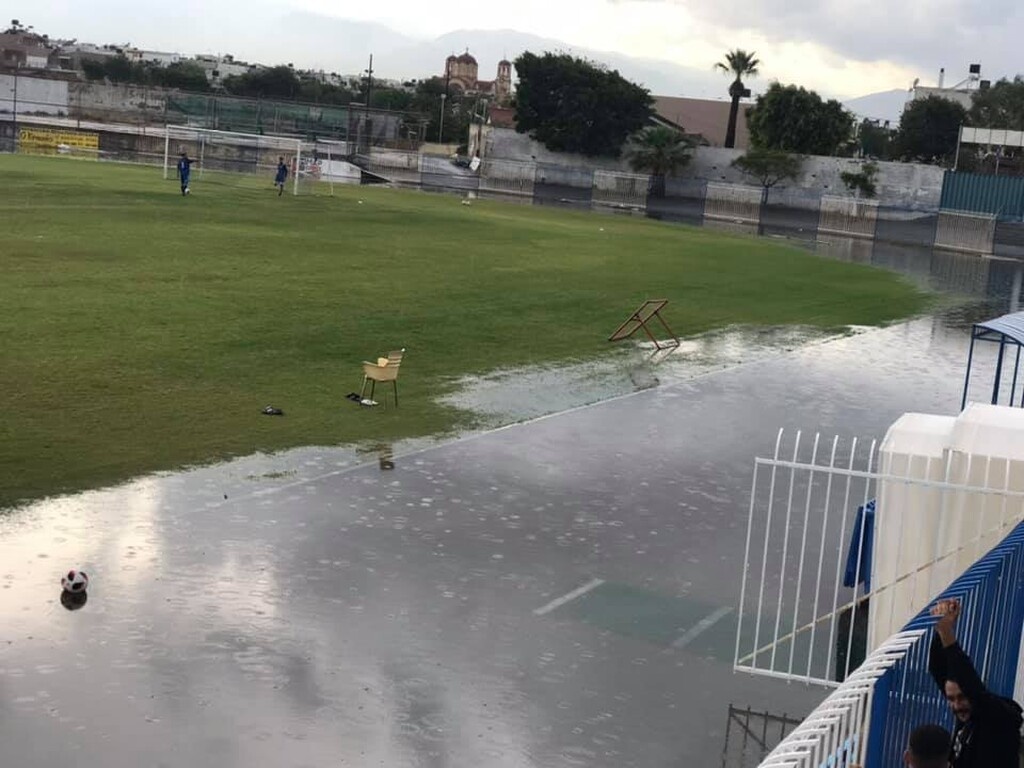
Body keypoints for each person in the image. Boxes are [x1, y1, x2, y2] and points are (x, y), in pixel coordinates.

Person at [928, 598, 1023, 768]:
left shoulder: (997, 719)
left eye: (961, 697)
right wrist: (941, 631)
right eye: (951, 699)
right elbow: (938, 669)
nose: (957, 705)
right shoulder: (969, 715)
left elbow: (971, 686)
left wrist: (947, 634)